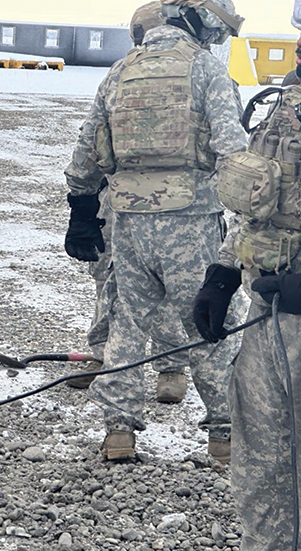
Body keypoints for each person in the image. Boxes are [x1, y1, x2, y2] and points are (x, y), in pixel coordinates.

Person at [63, 0, 246, 462]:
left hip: (128, 220)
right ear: (202, 24)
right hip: (190, 221)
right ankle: (224, 435)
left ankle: (118, 431)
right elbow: (232, 151)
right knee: (208, 324)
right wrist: (248, 218)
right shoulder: (205, 71)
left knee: (127, 320)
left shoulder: (121, 70)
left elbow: (88, 146)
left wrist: (82, 208)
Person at [192, 5, 301, 547]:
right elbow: (262, 197)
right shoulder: (284, 104)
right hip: (269, 311)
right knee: (261, 455)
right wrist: (224, 270)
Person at [68, 1, 193, 406]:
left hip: (181, 204)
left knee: (170, 285)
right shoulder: (120, 76)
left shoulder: (197, 73)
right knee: (110, 281)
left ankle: (171, 365)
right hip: (120, 202)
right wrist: (81, 202)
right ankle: (103, 355)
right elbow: (92, 138)